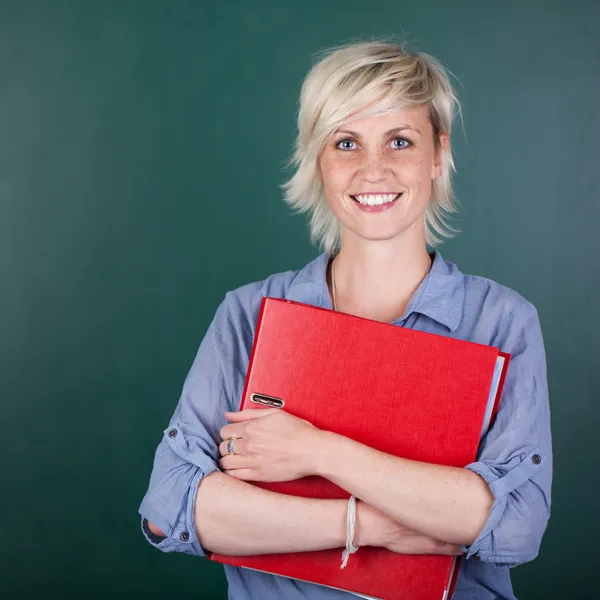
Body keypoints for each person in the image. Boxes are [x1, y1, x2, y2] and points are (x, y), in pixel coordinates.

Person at [139, 41, 552, 600]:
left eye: (400, 141)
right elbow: (172, 507)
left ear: (437, 155)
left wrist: (316, 451)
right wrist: (374, 524)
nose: (372, 169)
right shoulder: (249, 314)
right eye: (346, 142)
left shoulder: (500, 321)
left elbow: (516, 524)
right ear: (318, 160)